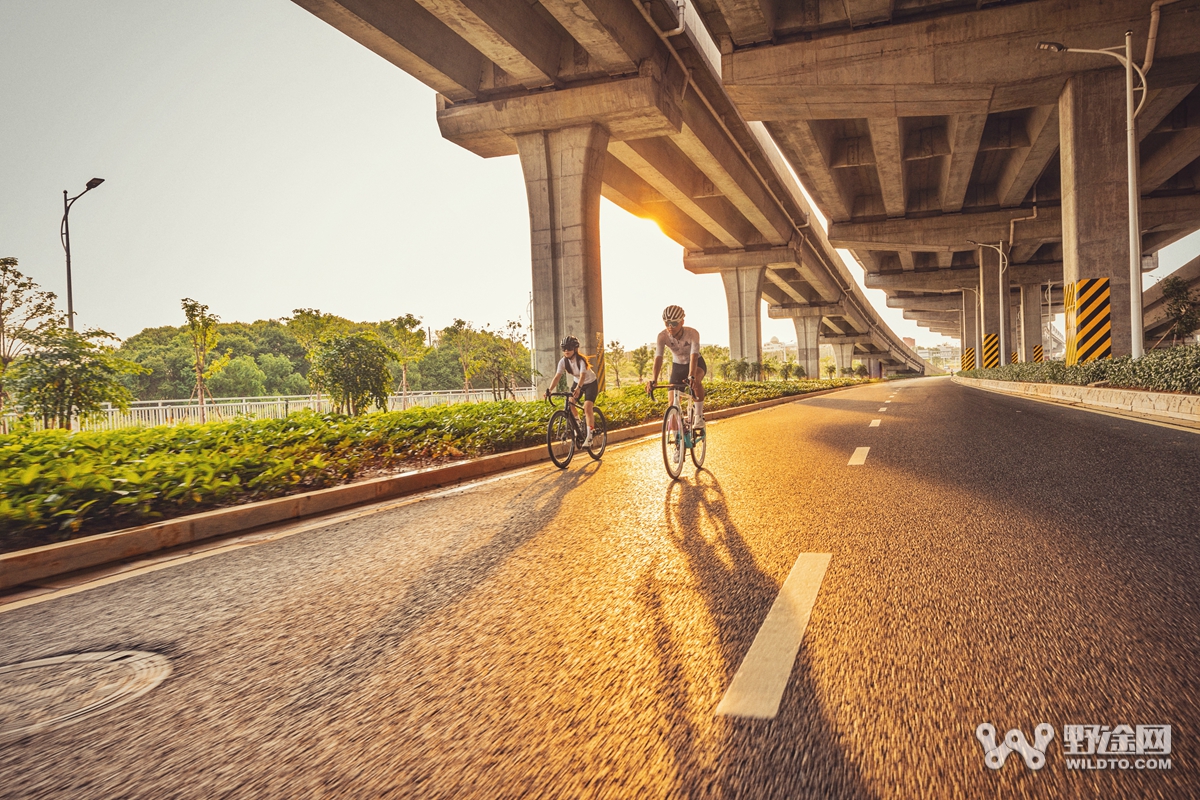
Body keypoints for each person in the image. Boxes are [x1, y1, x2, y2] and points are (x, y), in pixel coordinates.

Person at [647, 305, 706, 429]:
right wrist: (654, 379)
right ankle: (677, 443)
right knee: (671, 404)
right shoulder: (662, 336)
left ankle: (699, 416)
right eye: (667, 323)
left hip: (696, 364)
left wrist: (692, 376)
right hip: (677, 367)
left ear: (682, 322)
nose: (670, 326)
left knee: (697, 381)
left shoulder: (692, 333)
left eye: (674, 323)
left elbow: (694, 356)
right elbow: (658, 358)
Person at [545, 335, 599, 446]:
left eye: (569, 348)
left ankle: (590, 436)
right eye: (564, 348)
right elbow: (557, 377)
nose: (566, 351)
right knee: (570, 403)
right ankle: (578, 424)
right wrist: (549, 390)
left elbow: (583, 376)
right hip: (577, 382)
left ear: (575, 349)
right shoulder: (563, 362)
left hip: (590, 383)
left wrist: (579, 388)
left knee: (587, 407)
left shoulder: (581, 361)